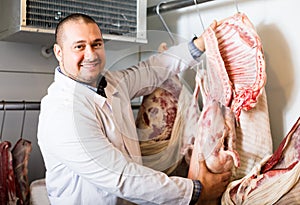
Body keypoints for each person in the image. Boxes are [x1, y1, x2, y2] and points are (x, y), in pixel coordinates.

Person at [37, 13, 231, 205]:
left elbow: (153, 69)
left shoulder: (111, 83)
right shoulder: (62, 112)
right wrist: (197, 191)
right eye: (79, 46)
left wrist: (201, 44)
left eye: (96, 44)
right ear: (59, 52)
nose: (91, 54)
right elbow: (122, 178)